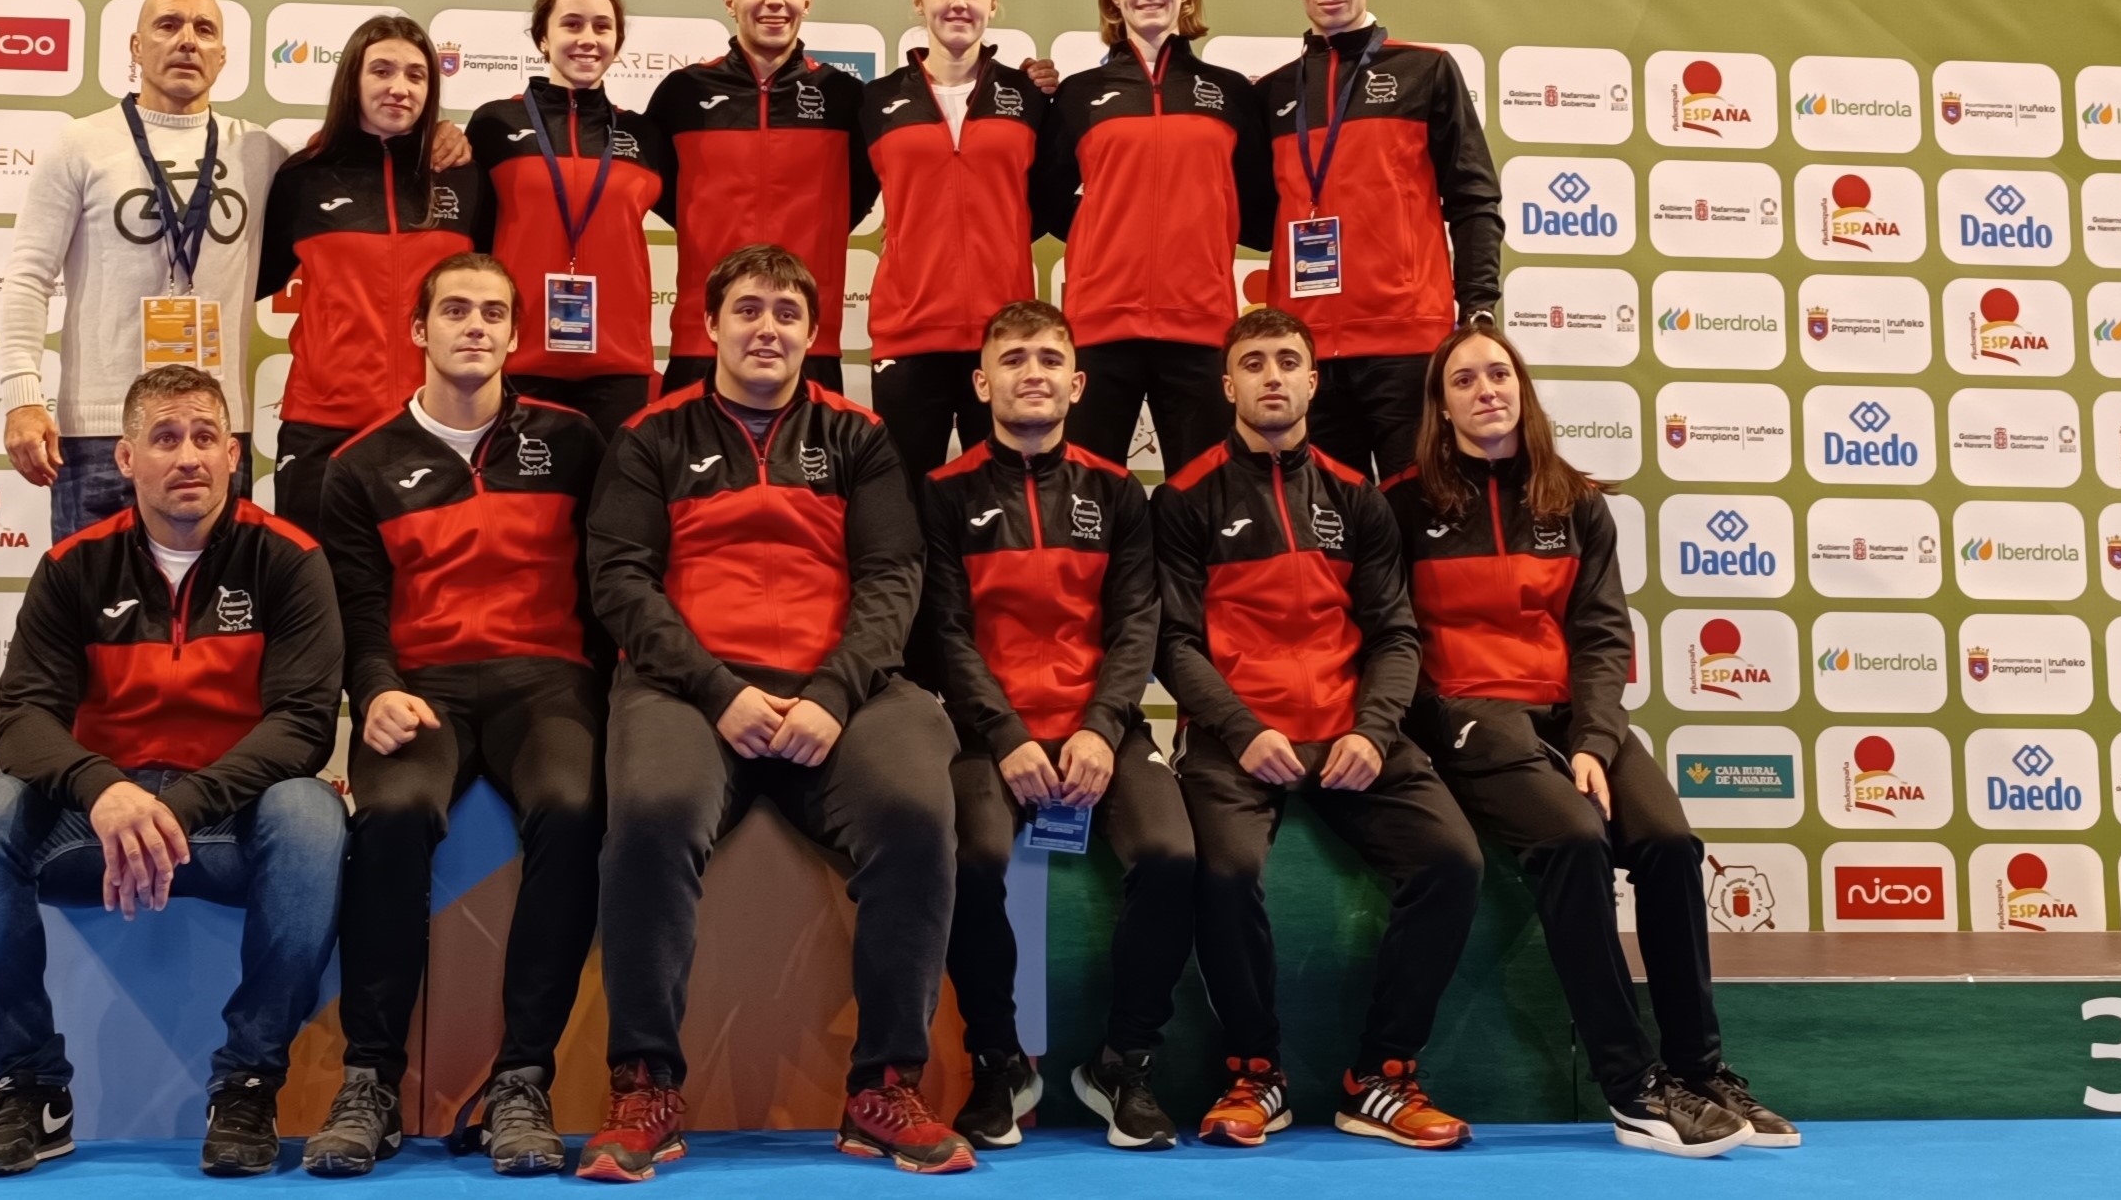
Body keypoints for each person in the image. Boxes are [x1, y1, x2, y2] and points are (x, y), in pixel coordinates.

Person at [580, 243, 971, 1180]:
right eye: (747, 309)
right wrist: (720, 691)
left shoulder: (860, 437)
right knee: (653, 813)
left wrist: (833, 695)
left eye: (788, 313)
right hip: (689, 687)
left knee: (918, 810)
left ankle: (884, 1086)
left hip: (841, 691)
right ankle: (645, 1083)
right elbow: (621, 583)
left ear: (814, 330)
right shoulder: (651, 436)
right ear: (708, 323)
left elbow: (891, 579)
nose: (767, 328)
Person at [0, 363, 347, 1180]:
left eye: (203, 437)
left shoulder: (290, 559)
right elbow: (21, 718)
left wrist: (183, 803)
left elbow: (301, 725)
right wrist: (106, 789)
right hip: (101, 822)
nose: (186, 455)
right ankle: (29, 1087)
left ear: (233, 453)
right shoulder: (73, 566)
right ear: (125, 459)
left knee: (310, 815)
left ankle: (249, 1081)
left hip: (227, 822)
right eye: (164, 437)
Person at [1384, 327, 1784, 1157]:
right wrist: (1439, 713)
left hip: (1569, 716)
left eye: (1499, 373)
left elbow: (1603, 637)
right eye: (1463, 379)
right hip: (1468, 713)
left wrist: (1596, 741)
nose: (1485, 388)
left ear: (1522, 390)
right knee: (1572, 838)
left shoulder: (1575, 500)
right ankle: (1633, 1087)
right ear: (1441, 403)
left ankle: (1698, 1068)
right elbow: (1389, 639)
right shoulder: (1402, 503)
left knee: (1670, 841)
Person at [305, 252, 608, 1178]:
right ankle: (368, 1080)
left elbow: (609, 587)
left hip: (546, 680)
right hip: (420, 686)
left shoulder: (576, 440)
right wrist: (376, 685)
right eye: (454, 310)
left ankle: (522, 1078)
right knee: (391, 815)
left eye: (491, 312)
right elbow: (355, 605)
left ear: (516, 334)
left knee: (570, 806)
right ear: (418, 330)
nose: (473, 325)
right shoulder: (357, 464)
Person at [1153, 308, 1478, 1152]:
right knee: (1220, 871)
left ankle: (1379, 1076)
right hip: (1236, 737)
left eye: (1286, 361)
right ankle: (1254, 1072)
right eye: (1252, 362)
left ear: (1310, 380)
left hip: (1349, 733)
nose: (1270, 375)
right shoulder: (1181, 498)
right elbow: (1173, 644)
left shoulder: (1356, 495)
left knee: (1452, 857)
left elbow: (1395, 633)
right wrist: (1236, 726)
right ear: (1227, 384)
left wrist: (1372, 729)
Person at [4, 0, 469, 535]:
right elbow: (29, 276)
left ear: (222, 55)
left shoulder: (263, 156)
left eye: (204, 30)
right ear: (135, 46)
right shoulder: (80, 144)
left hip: (216, 430)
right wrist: (21, 397)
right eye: (168, 25)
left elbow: (361, 165)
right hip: (105, 429)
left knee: (213, 612)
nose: (187, 42)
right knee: (92, 607)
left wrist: (442, 133)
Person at [912, 300, 1193, 1151]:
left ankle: (1123, 1063)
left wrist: (1104, 728)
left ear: (1076, 382)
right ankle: (998, 1061)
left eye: (1046, 358)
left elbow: (1136, 620)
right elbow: (944, 632)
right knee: (973, 855)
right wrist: (1005, 735)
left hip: (1100, 727)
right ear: (981, 380)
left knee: (1173, 854)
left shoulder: (1117, 491)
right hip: (984, 732)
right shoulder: (941, 492)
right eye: (1012, 358)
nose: (1030, 371)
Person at [1256, 0, 1501, 480]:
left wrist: (1480, 305)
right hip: (1305, 347)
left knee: (1421, 515)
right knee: (1330, 529)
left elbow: (1473, 198)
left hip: (1407, 342)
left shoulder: (1428, 71)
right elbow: (1250, 216)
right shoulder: (1271, 94)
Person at [1034, 0, 1269, 476]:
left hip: (1202, 328)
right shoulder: (1079, 94)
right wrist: (1104, 235)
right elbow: (1043, 201)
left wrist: (1205, 230)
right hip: (1100, 329)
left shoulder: (1231, 92)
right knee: (1089, 498)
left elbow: (1259, 210)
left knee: (1203, 501)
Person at [256, 15, 487, 520]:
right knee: (314, 593)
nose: (399, 88)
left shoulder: (464, 176)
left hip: (434, 422)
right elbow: (246, 278)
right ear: (352, 82)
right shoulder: (304, 177)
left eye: (415, 75)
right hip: (322, 425)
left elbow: (495, 297)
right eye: (381, 71)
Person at [649, 0, 874, 398]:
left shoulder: (845, 97)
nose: (774, 0)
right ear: (730, 1)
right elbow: (667, 197)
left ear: (806, 1)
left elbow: (857, 198)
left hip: (809, 337)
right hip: (702, 336)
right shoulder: (682, 93)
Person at [861, 0, 1052, 481]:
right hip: (908, 334)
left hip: (1003, 339)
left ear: (994, 2)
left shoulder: (1029, 94)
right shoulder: (876, 101)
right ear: (917, 1)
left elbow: (1046, 203)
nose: (958, 2)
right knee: (902, 501)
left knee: (1001, 504)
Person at [469, 0, 673, 437]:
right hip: (516, 356)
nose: (588, 39)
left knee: (610, 507)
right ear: (544, 37)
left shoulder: (644, 136)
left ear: (617, 43)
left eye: (602, 28)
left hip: (618, 365)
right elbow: (469, 237)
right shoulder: (495, 124)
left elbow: (710, 211)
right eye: (572, 25)